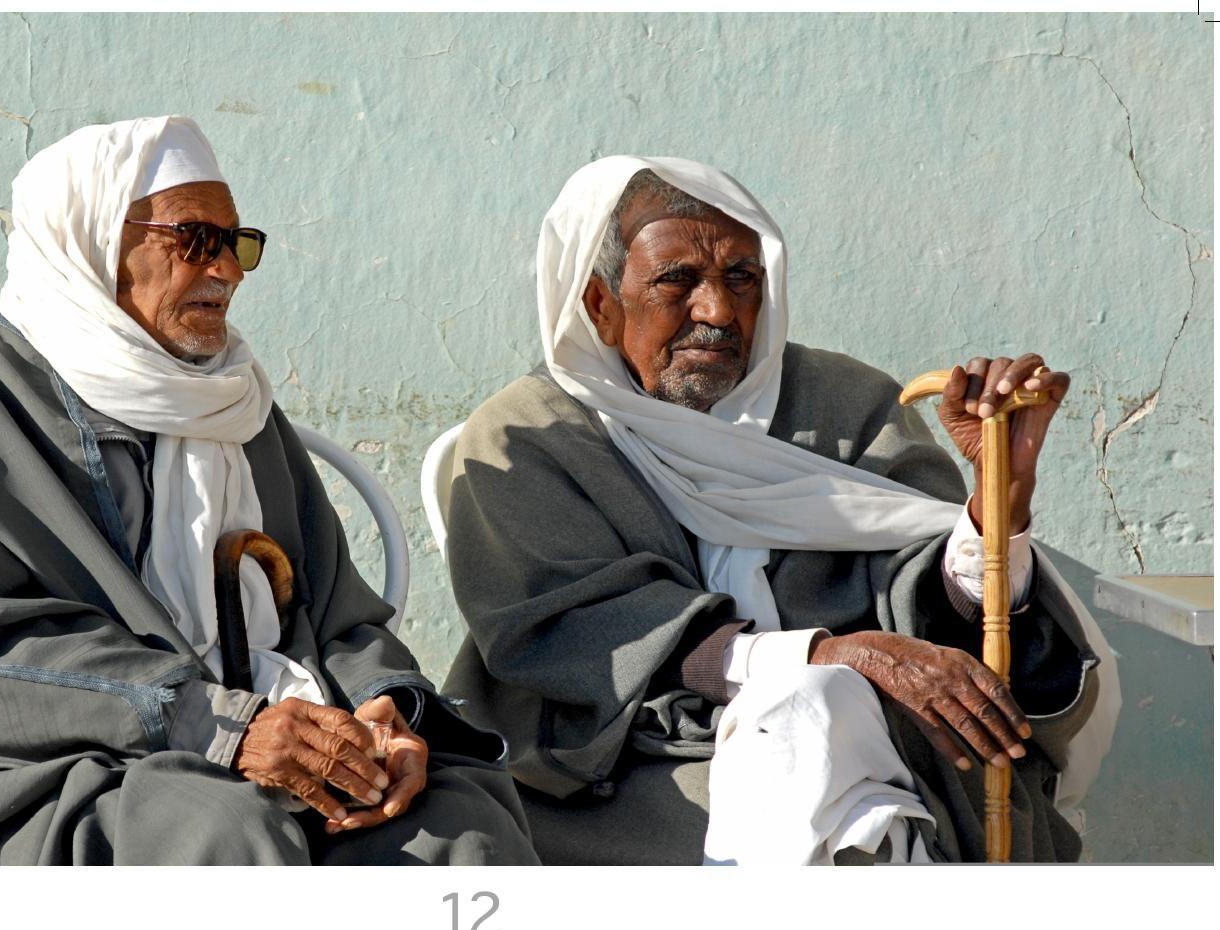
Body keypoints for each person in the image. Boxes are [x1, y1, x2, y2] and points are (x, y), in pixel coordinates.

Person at [0, 116, 536, 866]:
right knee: (221, 832)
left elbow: (334, 613)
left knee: (456, 821)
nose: (229, 270)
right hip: (24, 780)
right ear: (89, 244)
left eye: (237, 243)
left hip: (242, 751)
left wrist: (384, 709)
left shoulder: (230, 403)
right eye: (194, 239)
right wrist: (214, 724)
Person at [443, 156, 1119, 865]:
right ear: (600, 304)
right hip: (640, 766)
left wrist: (997, 502)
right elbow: (568, 633)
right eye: (677, 279)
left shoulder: (848, 406)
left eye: (741, 277)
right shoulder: (529, 437)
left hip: (880, 744)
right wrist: (824, 655)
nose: (718, 311)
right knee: (828, 775)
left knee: (841, 752)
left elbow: (939, 623)